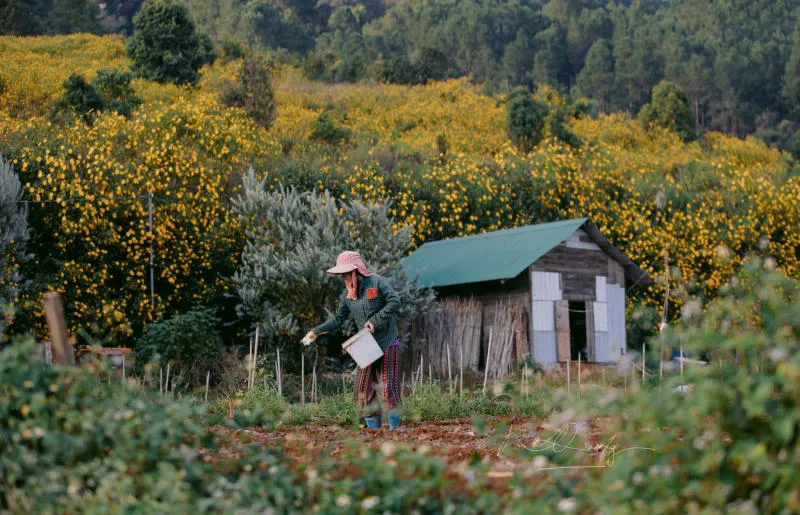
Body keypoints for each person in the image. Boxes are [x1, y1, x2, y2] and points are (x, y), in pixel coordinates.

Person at [301, 251, 403, 430]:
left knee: (389, 387)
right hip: (366, 345)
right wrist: (315, 332)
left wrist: (376, 321)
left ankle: (396, 432)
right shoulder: (347, 295)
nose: (345, 278)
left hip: (387, 340)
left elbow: (395, 301)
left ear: (357, 271)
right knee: (363, 390)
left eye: (347, 273)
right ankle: (374, 433)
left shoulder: (377, 282)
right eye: (342, 275)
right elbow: (337, 319)